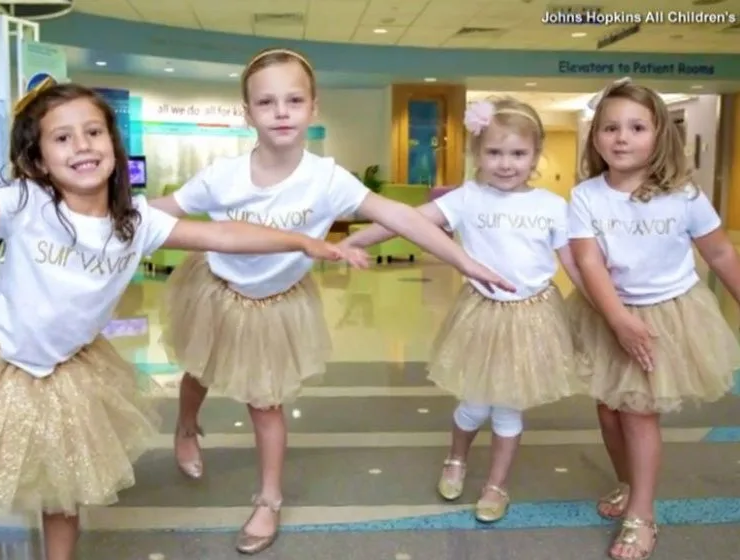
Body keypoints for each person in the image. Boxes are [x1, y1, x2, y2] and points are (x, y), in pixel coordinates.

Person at [0, 81, 365, 560]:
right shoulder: (24, 204)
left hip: (67, 370)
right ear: (38, 160)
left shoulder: (137, 222)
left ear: (114, 146)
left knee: (62, 490)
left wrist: (301, 242)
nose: (82, 145)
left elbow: (222, 234)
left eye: (93, 132)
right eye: (62, 138)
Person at [150, 47, 515, 554]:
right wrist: (95, 211)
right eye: (267, 102)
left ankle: (269, 498)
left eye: (294, 100)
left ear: (313, 108)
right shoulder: (222, 176)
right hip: (218, 288)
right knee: (200, 367)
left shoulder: (326, 179)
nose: (281, 112)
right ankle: (187, 425)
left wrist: (463, 261)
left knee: (265, 399)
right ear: (248, 112)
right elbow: (158, 214)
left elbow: (401, 216)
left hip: (276, 302)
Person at [343, 96, 585, 524]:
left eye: (518, 154)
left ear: (535, 155)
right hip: (482, 314)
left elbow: (574, 264)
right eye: (494, 152)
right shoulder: (467, 198)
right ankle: (456, 457)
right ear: (477, 154)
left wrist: (605, 306)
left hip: (532, 317)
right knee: (474, 403)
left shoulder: (551, 206)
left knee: (509, 406)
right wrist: (354, 241)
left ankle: (497, 483)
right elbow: (407, 219)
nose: (506, 163)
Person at [567, 78, 740, 560]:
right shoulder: (586, 196)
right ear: (596, 137)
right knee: (608, 408)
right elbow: (589, 263)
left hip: (670, 314)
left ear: (660, 134)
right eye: (610, 127)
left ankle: (642, 513)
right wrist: (618, 320)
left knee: (640, 413)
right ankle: (628, 482)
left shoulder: (683, 195)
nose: (622, 137)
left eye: (636, 127)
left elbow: (722, 254)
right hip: (609, 311)